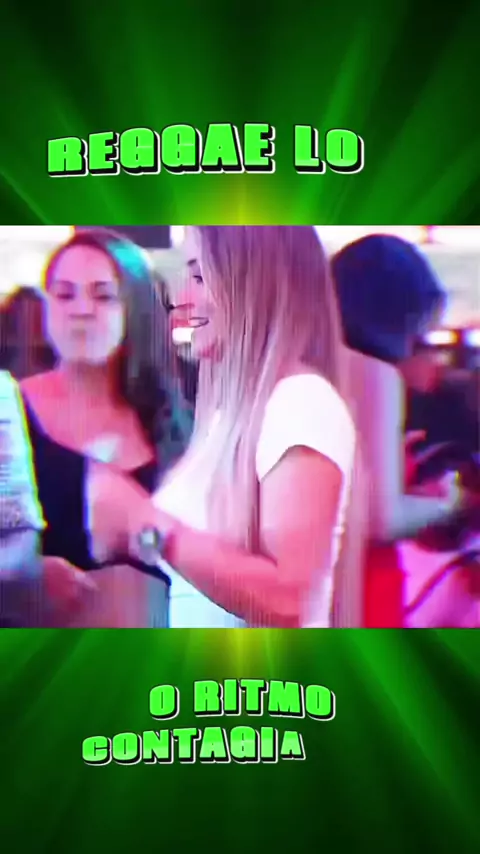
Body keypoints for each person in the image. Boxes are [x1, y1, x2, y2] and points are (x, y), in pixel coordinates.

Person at [86, 226, 362, 628]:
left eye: (199, 276)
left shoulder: (300, 401)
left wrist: (142, 520)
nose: (181, 299)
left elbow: (291, 602)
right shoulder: (230, 418)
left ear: (256, 283)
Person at [18, 228, 192, 627]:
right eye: (64, 295)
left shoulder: (173, 424)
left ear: (134, 309)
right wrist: (22, 579)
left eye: (103, 296)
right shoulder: (8, 411)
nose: (81, 310)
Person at [332, 234, 469, 627]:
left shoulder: (304, 366)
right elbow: (380, 520)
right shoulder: (373, 377)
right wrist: (447, 502)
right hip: (362, 594)